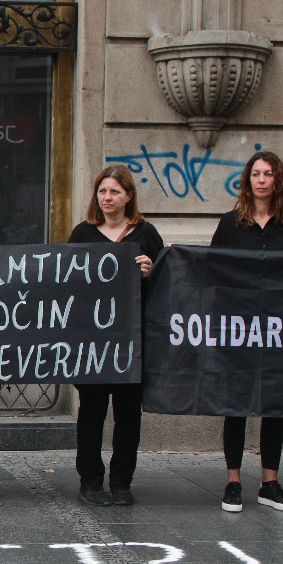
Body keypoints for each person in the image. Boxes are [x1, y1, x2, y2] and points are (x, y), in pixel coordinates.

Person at [210, 151, 283, 514]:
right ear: (247, 180)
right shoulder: (230, 224)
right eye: (256, 174)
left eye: (268, 174)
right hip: (238, 329)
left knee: (273, 406)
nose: (262, 180)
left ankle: (270, 482)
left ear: (277, 181)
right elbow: (214, 272)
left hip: (278, 330)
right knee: (236, 404)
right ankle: (233, 481)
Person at [68, 166, 163, 506]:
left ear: (129, 196)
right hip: (92, 341)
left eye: (114, 192)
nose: (107, 198)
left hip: (131, 341)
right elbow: (66, 285)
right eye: (102, 192)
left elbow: (165, 291)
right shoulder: (83, 234)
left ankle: (122, 482)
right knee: (91, 412)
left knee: (127, 415)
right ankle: (90, 481)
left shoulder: (146, 234)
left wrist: (150, 273)